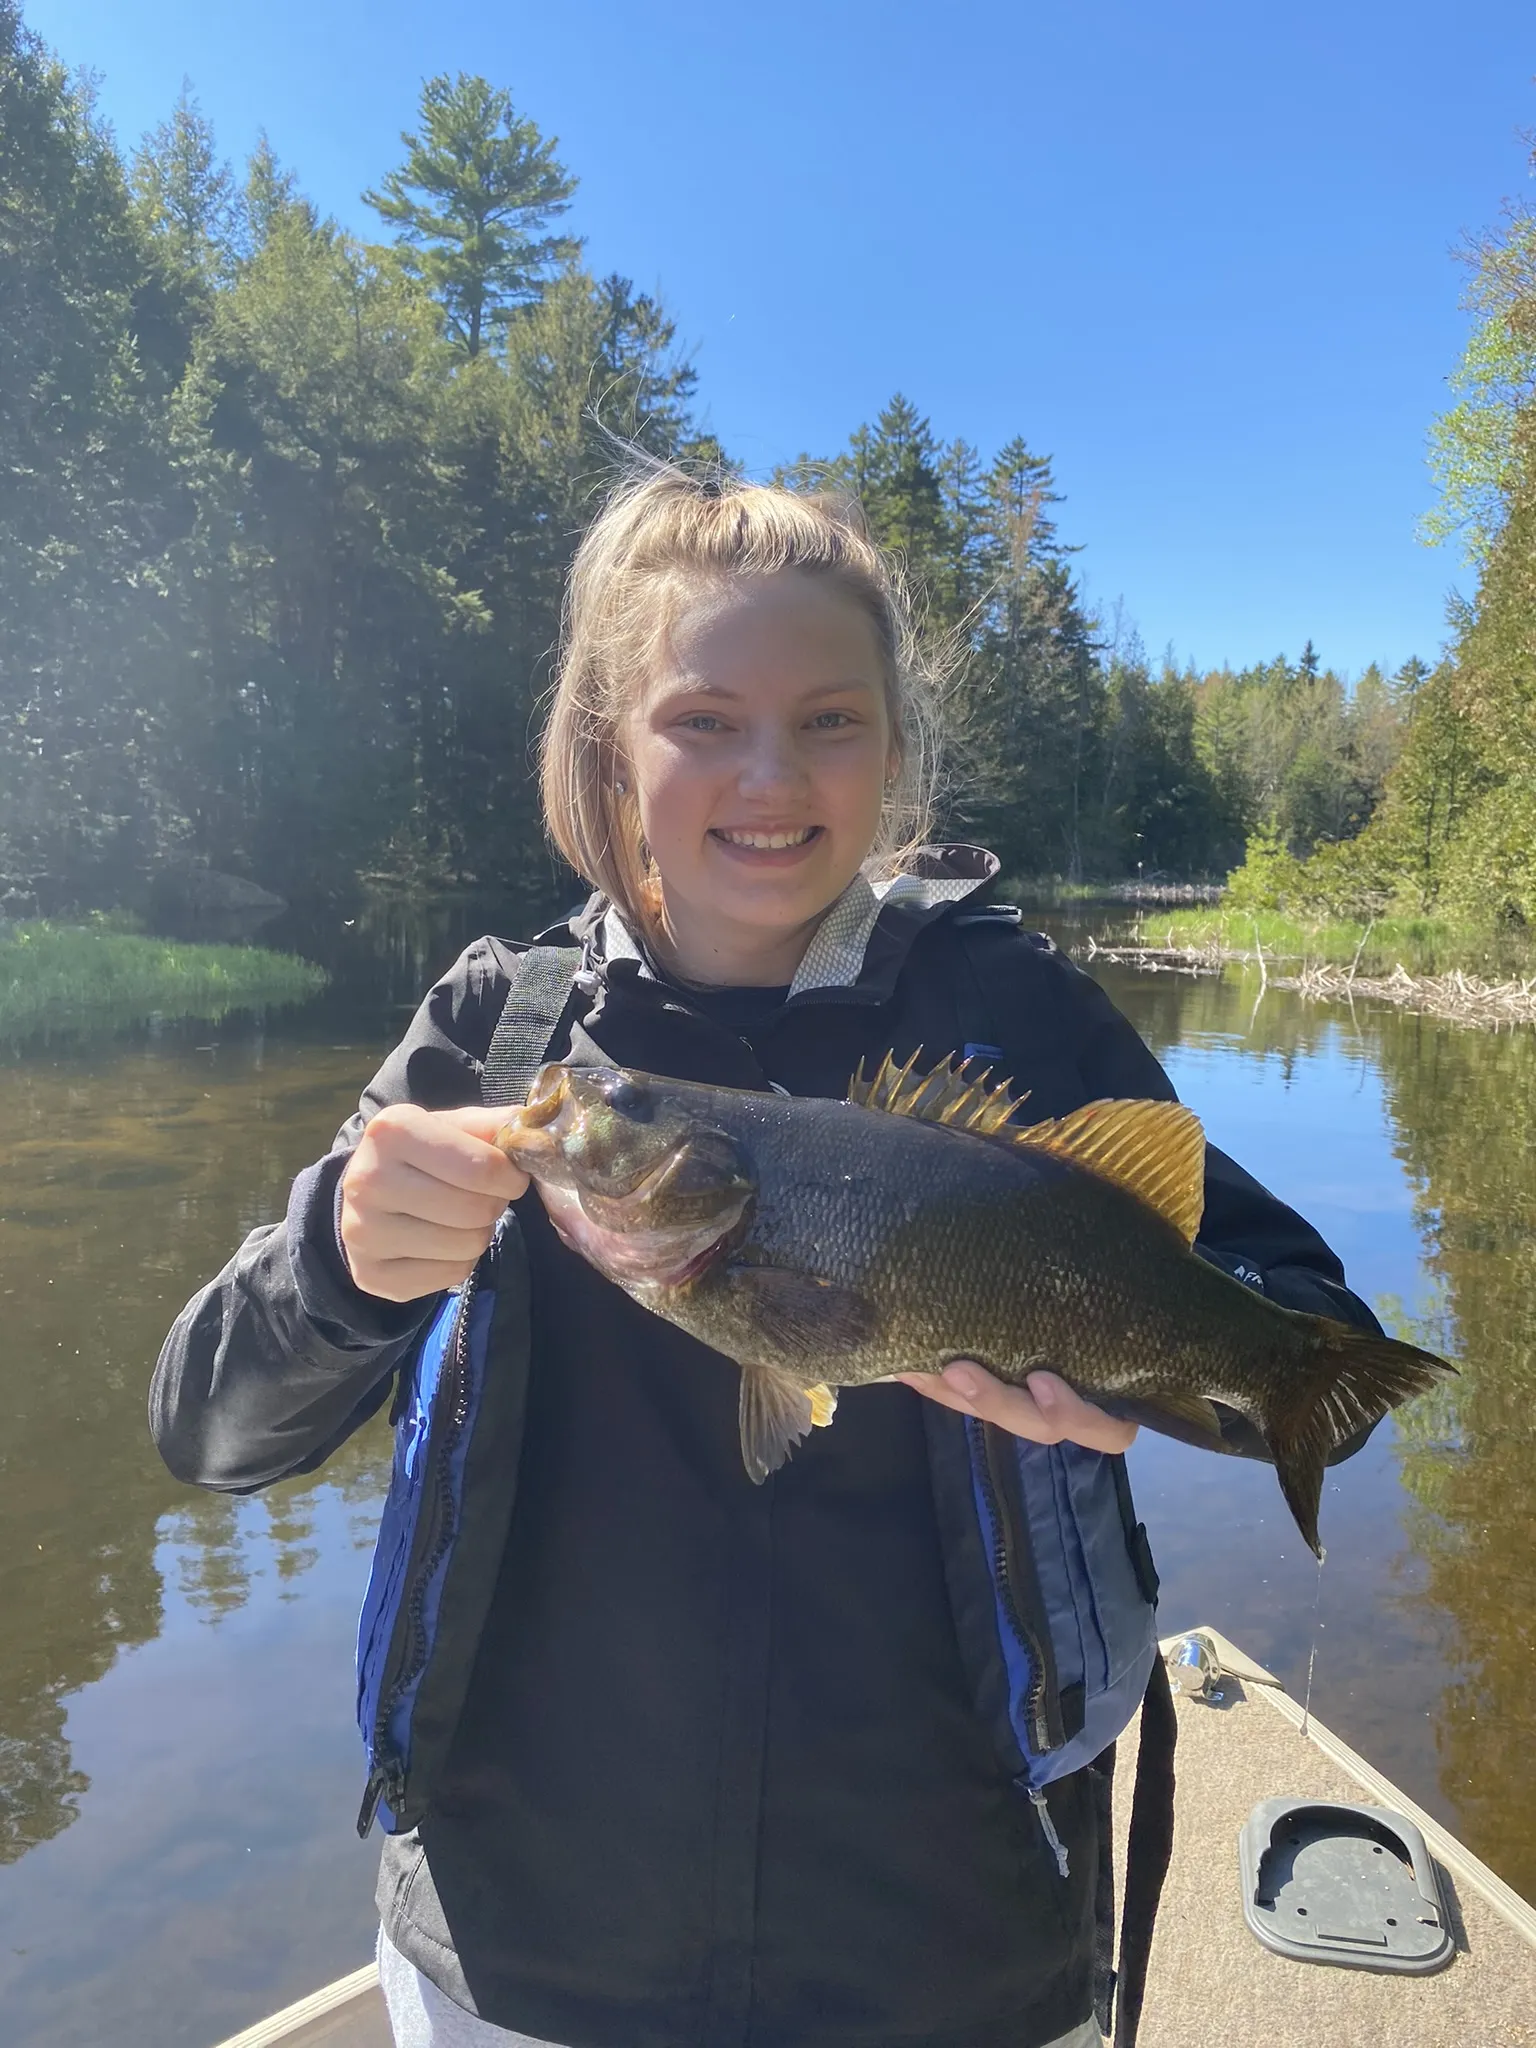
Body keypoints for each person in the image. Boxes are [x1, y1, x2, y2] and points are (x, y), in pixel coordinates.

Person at [151, 464, 1381, 2048]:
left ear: (893, 748)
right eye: (703, 719)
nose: (769, 774)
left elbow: (1302, 1330)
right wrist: (338, 1259)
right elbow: (212, 1428)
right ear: (609, 743)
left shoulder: (1017, 1023)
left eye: (830, 720)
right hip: (529, 1949)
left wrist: (1159, 1395)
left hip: (951, 1947)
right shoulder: (503, 1037)